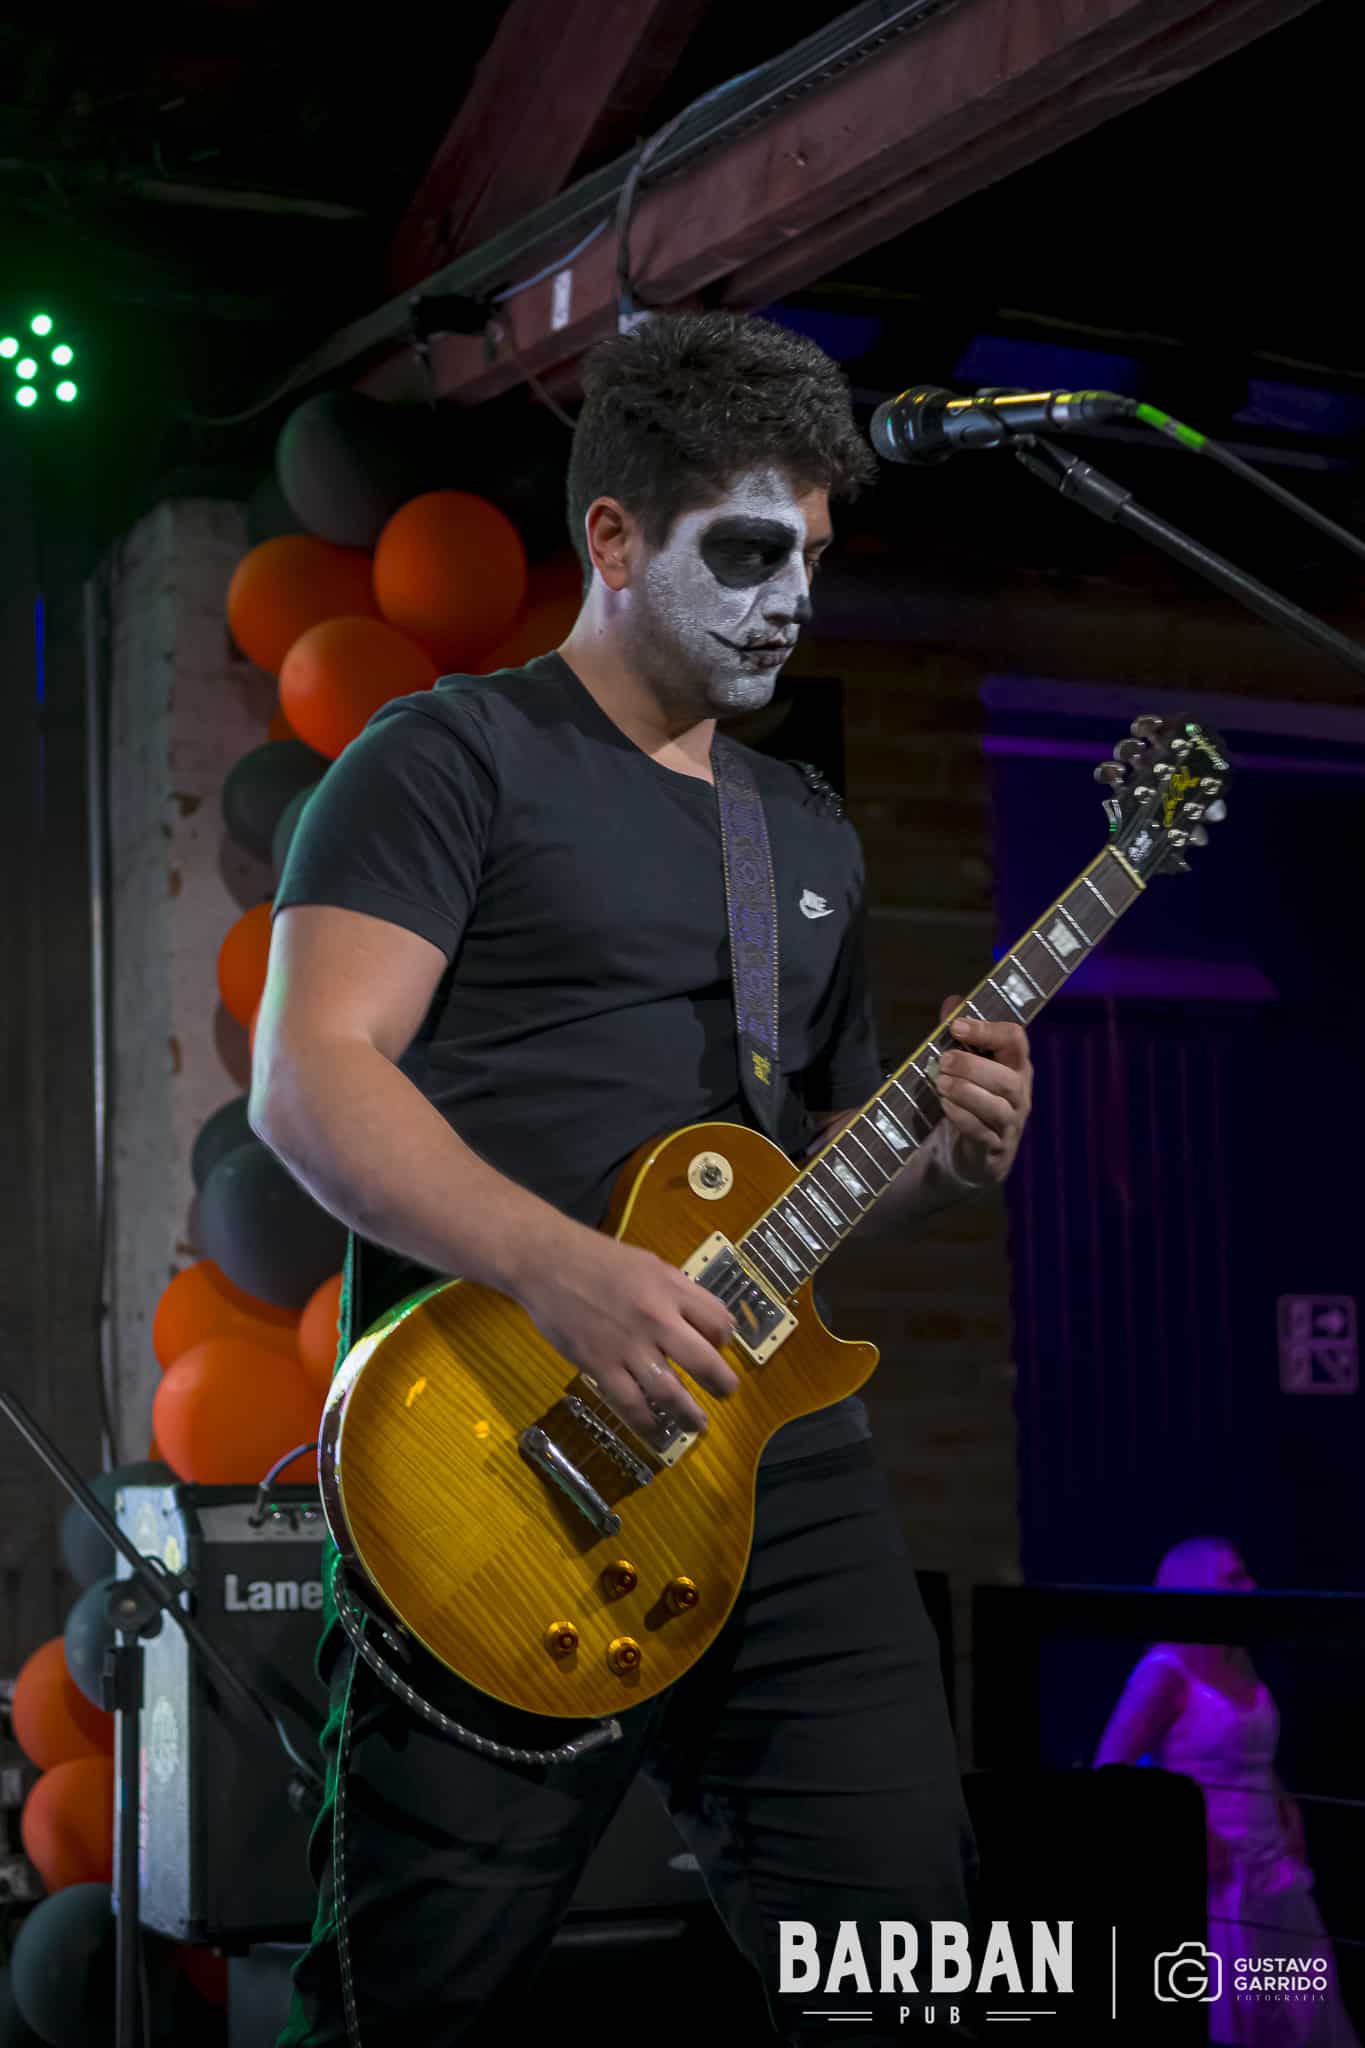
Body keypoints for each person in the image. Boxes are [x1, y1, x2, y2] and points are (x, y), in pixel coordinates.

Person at [252, 310, 1035, 2046]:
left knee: (910, 1965)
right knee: (412, 2004)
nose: (790, 599)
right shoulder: (447, 760)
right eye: (747, 552)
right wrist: (564, 1271)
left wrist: (934, 1156)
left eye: (811, 556)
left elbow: (797, 1176)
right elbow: (310, 1081)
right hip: (501, 1448)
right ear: (613, 539)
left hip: (777, 1462)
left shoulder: (800, 830)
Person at [1094, 1536, 1360, 2046]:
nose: (1251, 1586)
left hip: (1272, 1868)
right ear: (1196, 1587)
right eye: (1234, 1577)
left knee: (1297, 2010)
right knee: (1233, 2012)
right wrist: (1189, 1830)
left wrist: (1286, 1803)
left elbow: (1248, 1754)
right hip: (1216, 1876)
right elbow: (1111, 1766)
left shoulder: (1238, 1659)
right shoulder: (1165, 1671)